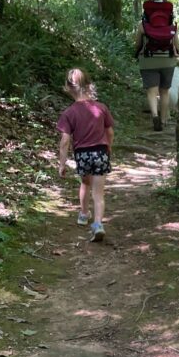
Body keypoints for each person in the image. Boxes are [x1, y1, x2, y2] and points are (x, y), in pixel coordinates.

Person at [57, 68, 114, 242]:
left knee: (85, 183)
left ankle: (83, 214)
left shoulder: (69, 113)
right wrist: (108, 147)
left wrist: (62, 163)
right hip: (101, 152)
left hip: (82, 155)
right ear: (89, 85)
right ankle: (97, 224)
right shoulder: (101, 108)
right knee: (99, 193)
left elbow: (65, 141)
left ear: (68, 87)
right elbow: (110, 132)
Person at [134, 5, 179, 131]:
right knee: (164, 91)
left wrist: (136, 53)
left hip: (148, 60)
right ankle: (164, 118)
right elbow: (176, 44)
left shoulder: (142, 25)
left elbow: (138, 43)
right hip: (167, 61)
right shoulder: (172, 26)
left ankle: (155, 115)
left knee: (152, 91)